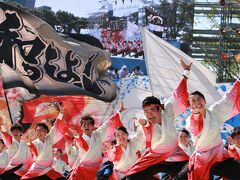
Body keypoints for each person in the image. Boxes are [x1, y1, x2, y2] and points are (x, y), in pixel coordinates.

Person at [125, 59, 192, 179]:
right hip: (155, 158)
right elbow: (135, 141)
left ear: (160, 109)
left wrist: (186, 72)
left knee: (193, 171)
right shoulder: (144, 125)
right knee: (132, 177)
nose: (149, 115)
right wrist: (124, 141)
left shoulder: (168, 111)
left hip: (175, 157)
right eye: (146, 112)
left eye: (152, 110)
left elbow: (177, 93)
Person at [176, 79, 240, 180]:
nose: (197, 102)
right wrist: (196, 113)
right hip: (201, 159)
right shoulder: (190, 120)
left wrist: (238, 82)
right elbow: (195, 127)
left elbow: (228, 99)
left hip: (219, 156)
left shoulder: (214, 111)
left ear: (204, 101)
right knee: (179, 178)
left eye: (199, 99)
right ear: (190, 106)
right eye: (193, 101)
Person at [68, 103, 125, 180]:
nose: (86, 126)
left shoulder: (98, 134)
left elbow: (108, 123)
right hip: (82, 170)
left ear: (93, 126)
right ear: (81, 127)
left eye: (89, 124)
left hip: (97, 170)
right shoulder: (79, 139)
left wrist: (119, 112)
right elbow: (84, 146)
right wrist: (77, 137)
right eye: (84, 124)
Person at [21, 102, 68, 179]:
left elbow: (56, 126)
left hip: (48, 168)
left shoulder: (49, 139)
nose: (39, 132)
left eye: (41, 130)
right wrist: (27, 142)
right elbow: (32, 148)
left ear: (46, 132)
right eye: (37, 130)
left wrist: (61, 113)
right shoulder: (34, 143)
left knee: (60, 178)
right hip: (37, 167)